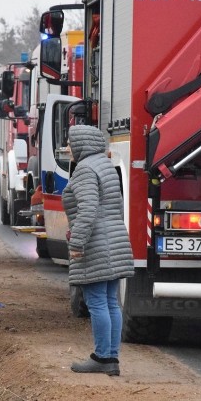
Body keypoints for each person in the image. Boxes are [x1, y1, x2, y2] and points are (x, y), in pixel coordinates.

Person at [62, 124, 134, 376]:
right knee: (111, 303)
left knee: (96, 303)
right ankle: (111, 357)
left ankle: (102, 357)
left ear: (81, 143)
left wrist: (77, 243)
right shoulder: (105, 165)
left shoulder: (84, 169)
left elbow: (88, 210)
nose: (68, 148)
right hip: (114, 241)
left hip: (95, 243)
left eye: (70, 143)